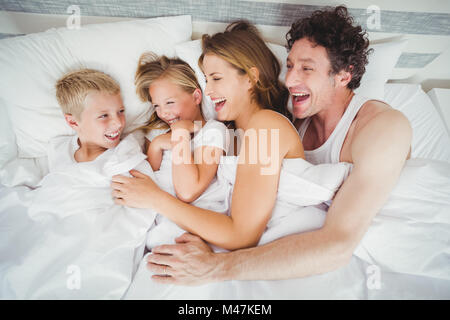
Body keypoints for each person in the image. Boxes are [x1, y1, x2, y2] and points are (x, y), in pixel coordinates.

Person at [138, 6, 412, 285]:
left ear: (344, 75)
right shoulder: (287, 122)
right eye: (290, 66)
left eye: (306, 68)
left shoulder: (382, 127)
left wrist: (214, 265)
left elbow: (337, 244)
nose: (290, 80)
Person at [111, 21, 305, 251]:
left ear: (251, 77)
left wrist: (155, 198)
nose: (208, 91)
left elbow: (242, 235)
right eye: (206, 80)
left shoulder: (266, 125)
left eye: (216, 78)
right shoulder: (232, 136)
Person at [134, 53, 229, 203]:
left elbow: (187, 192)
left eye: (170, 102)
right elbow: (147, 180)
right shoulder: (158, 133)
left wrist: (180, 133)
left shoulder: (213, 131)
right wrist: (156, 145)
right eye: (156, 106)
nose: (163, 113)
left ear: (196, 97)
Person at [55, 68, 126, 162]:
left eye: (121, 111)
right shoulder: (57, 149)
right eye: (104, 115)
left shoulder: (126, 155)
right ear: (73, 122)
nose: (118, 123)